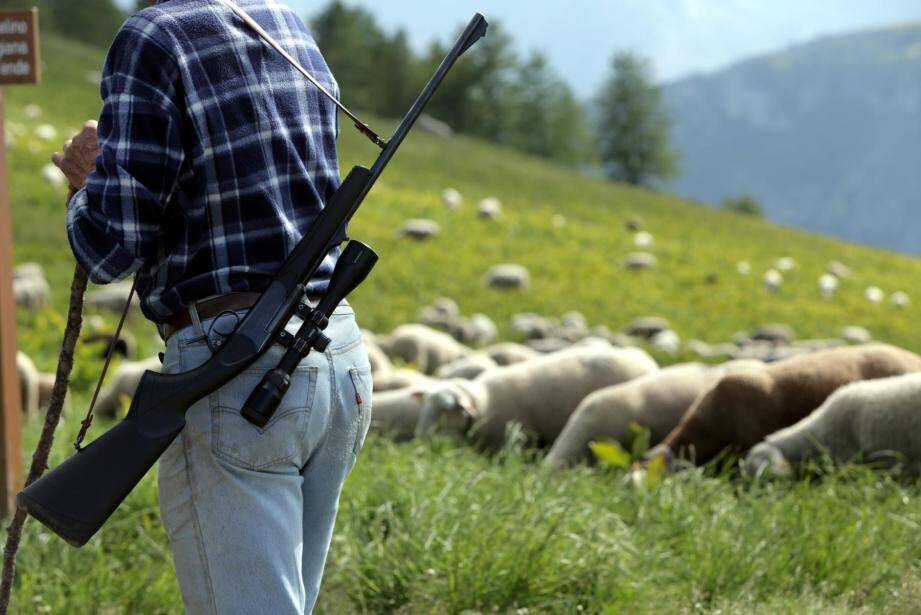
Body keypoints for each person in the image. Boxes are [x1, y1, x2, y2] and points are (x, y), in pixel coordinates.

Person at [51, 1, 372, 613]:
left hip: (235, 374)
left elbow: (109, 249)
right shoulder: (285, 21)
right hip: (335, 354)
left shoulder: (153, 36)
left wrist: (85, 183)